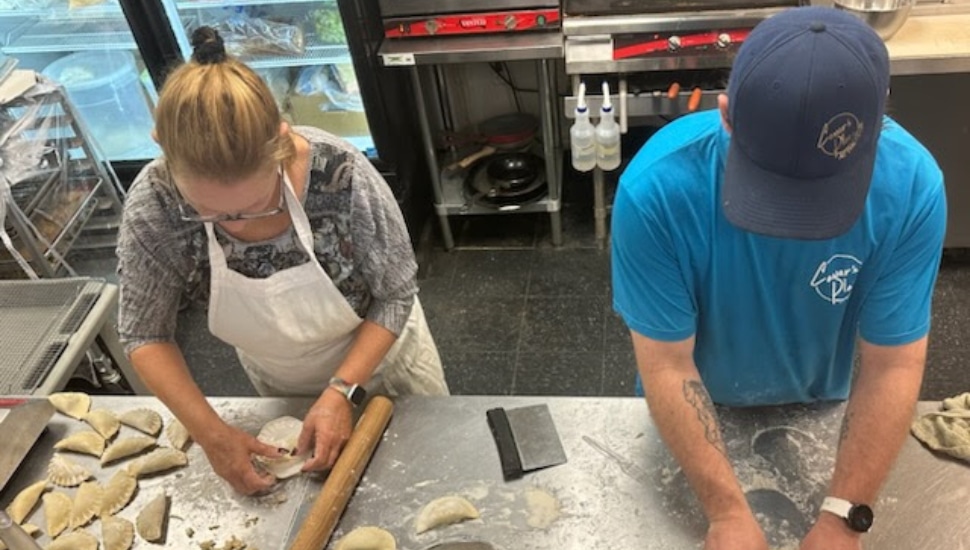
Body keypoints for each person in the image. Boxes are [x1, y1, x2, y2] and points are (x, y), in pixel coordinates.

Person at [611, 7, 946, 550]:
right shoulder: (656, 191)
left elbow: (893, 363)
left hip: (822, 407)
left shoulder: (912, 189)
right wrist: (724, 514)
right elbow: (667, 362)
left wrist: (843, 516)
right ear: (725, 114)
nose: (796, 231)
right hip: (696, 400)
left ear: (878, 123)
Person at [116, 27, 449, 495]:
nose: (236, 222)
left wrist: (341, 390)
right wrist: (212, 435)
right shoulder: (153, 205)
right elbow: (144, 333)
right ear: (161, 149)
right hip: (279, 381)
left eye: (258, 205)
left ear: (282, 139)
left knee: (428, 479)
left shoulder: (342, 175)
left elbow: (395, 294)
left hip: (388, 366)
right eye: (211, 213)